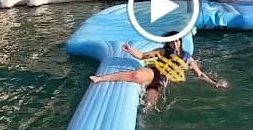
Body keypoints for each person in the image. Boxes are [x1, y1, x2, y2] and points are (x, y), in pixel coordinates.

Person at [89, 32, 227, 111]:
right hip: (154, 72)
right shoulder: (162, 52)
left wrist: (214, 83)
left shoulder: (188, 58)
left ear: (180, 41)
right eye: (171, 42)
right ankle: (101, 78)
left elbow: (200, 75)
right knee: (135, 75)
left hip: (162, 82)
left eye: (177, 41)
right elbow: (143, 56)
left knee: (149, 105)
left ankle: (142, 122)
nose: (175, 44)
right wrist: (130, 50)